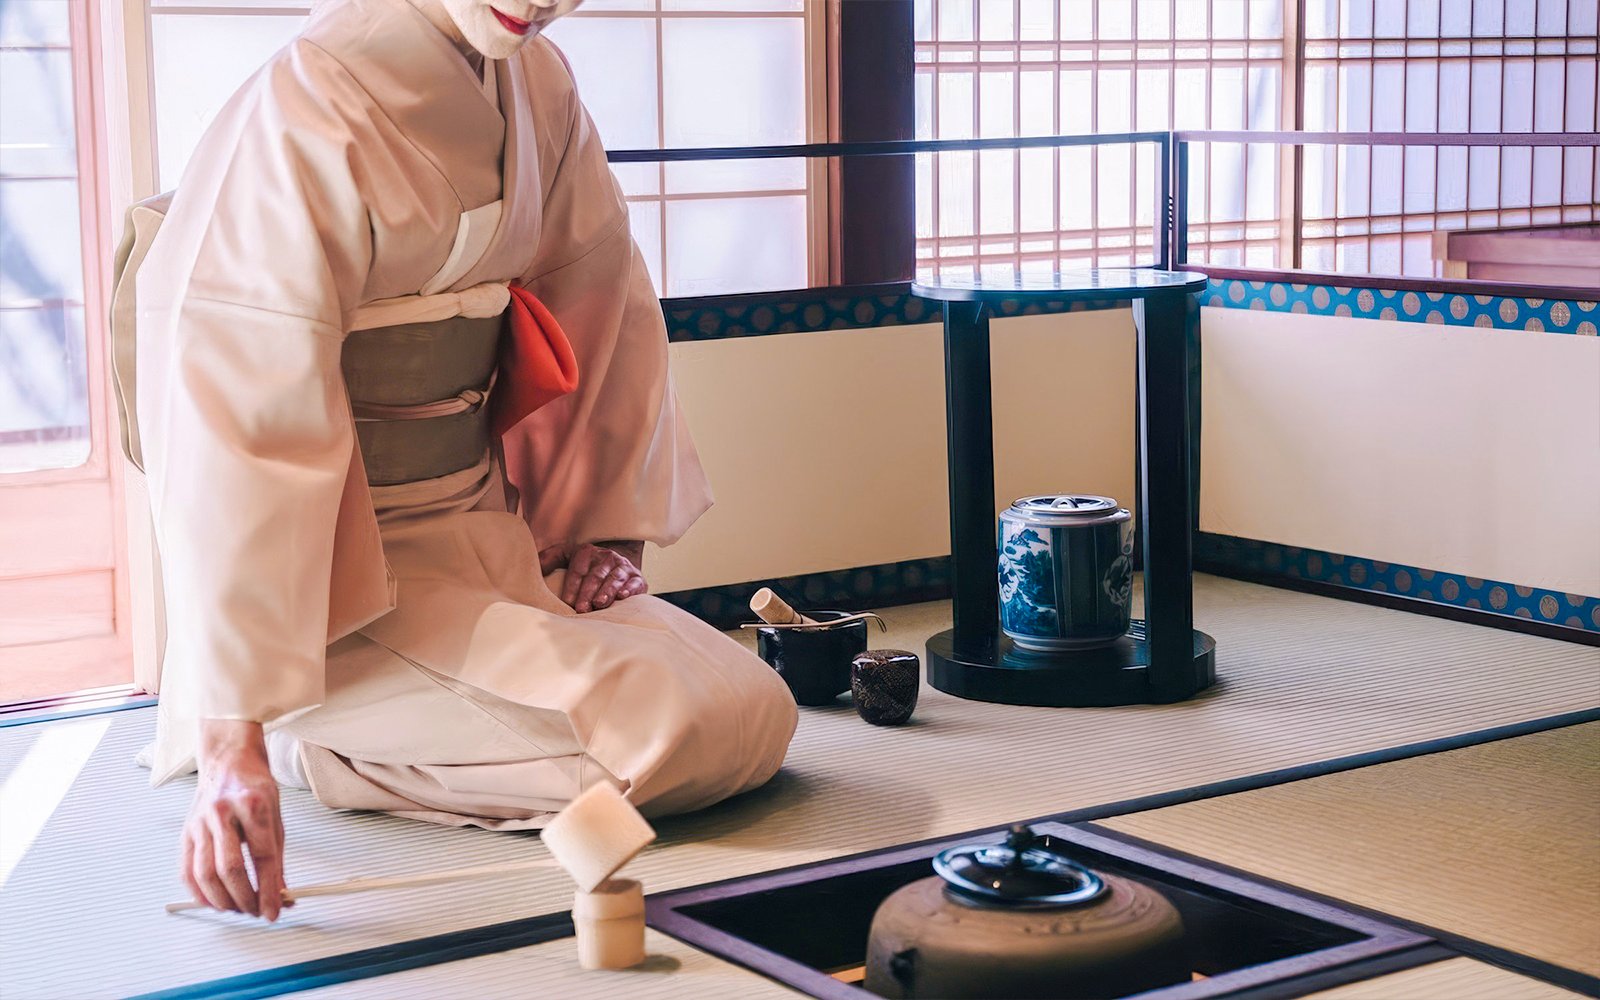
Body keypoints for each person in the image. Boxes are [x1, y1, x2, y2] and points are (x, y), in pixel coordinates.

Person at [112, 0, 798, 922]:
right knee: (664, 735)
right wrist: (228, 744)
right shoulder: (305, 101)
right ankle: (289, 730)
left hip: (488, 531)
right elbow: (241, 420)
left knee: (751, 707)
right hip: (345, 579)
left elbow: (603, 299)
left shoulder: (538, 84)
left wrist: (601, 531)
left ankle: (368, 723)